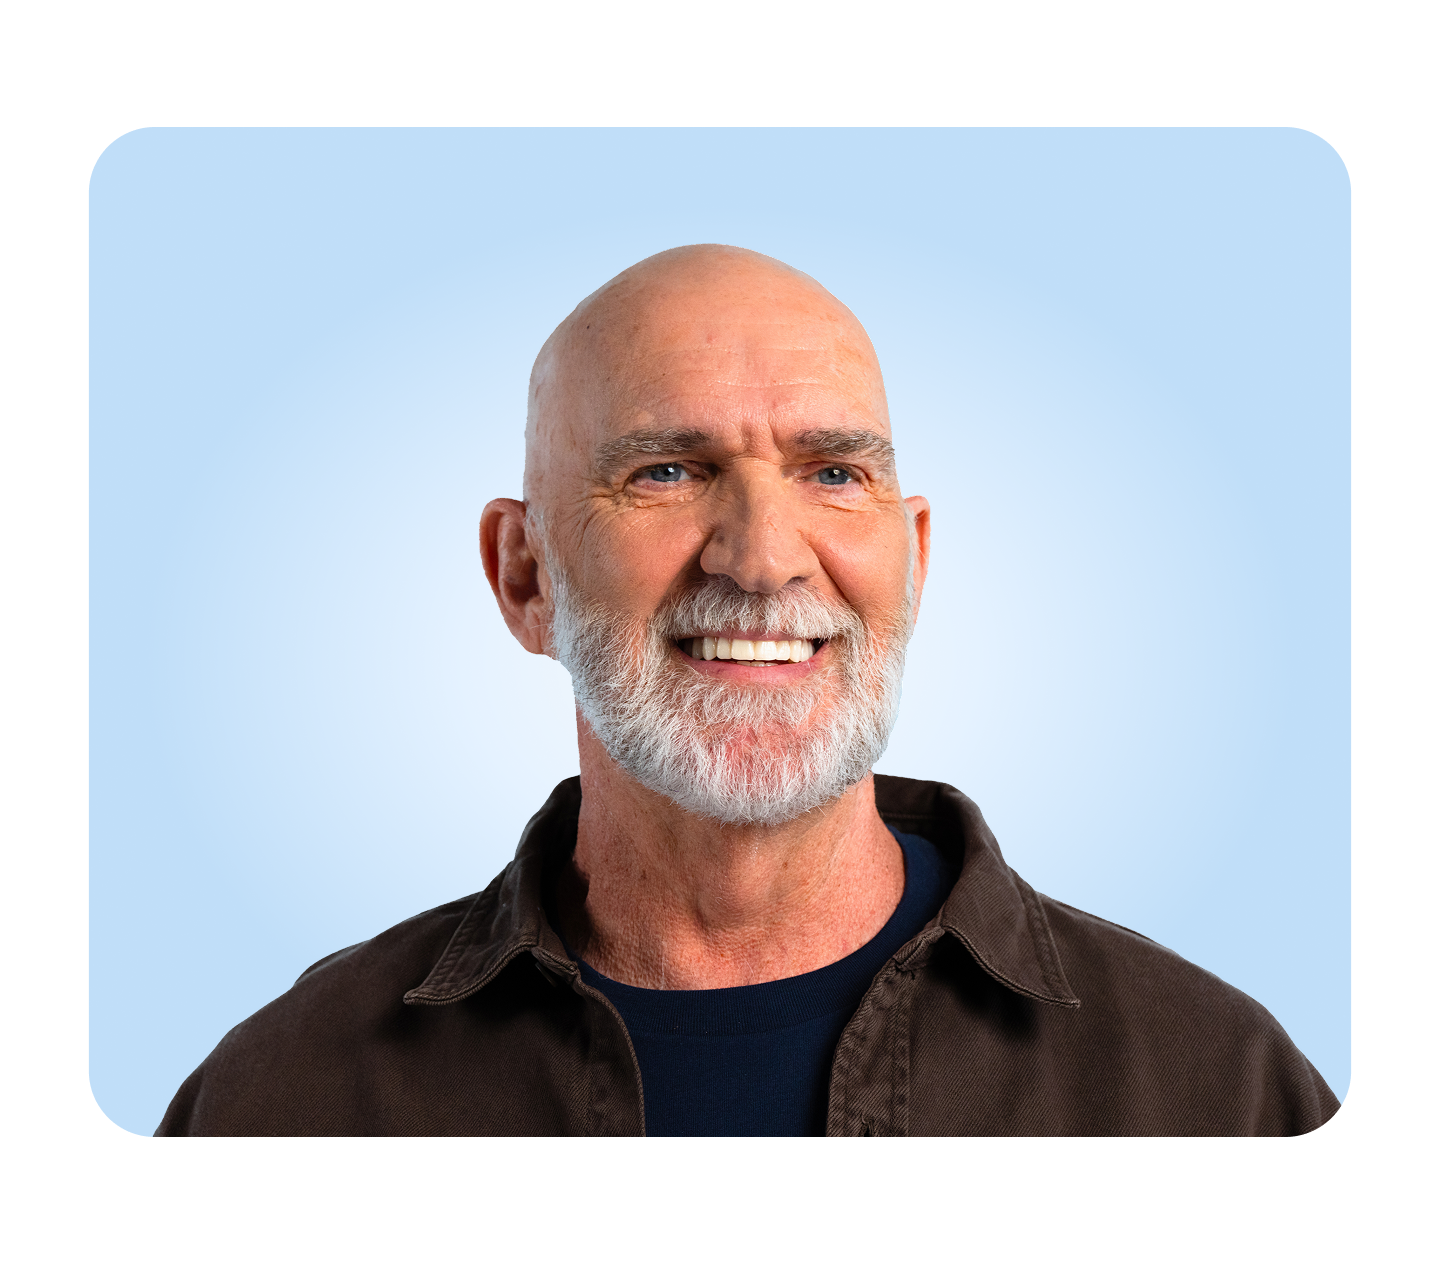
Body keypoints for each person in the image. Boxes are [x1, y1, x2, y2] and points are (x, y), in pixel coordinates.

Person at [157, 244, 1339, 1136]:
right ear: (524, 575)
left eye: (834, 473)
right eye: (667, 471)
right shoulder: (285, 1105)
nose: (764, 556)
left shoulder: (1215, 1095)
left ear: (912, 558)